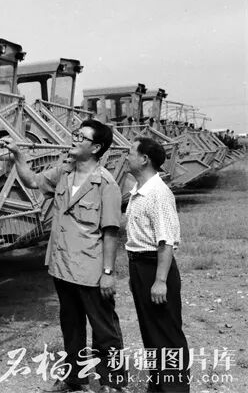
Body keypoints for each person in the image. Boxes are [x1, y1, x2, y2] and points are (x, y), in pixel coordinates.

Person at [5, 119, 126, 393]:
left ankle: (113, 383)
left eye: (81, 137)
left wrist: (108, 273)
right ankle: (75, 380)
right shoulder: (63, 173)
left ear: (95, 148)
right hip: (62, 267)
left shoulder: (105, 184)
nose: (74, 139)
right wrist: (18, 155)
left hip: (90, 269)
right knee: (71, 327)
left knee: (104, 330)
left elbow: (110, 232)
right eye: (75, 134)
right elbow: (32, 181)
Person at [125, 137, 190, 392]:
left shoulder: (158, 193)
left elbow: (166, 242)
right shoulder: (139, 190)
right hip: (140, 266)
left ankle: (175, 389)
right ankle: (158, 386)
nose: (126, 157)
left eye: (130, 152)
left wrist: (160, 280)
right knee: (151, 332)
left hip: (154, 267)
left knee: (167, 334)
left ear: (144, 159)